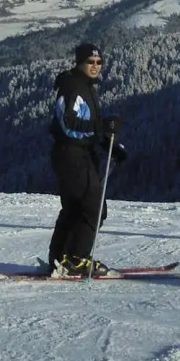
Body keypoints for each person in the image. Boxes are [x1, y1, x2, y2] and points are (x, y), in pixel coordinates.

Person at [46, 42, 124, 277]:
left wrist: (109, 144)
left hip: (74, 154)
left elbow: (84, 126)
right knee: (94, 208)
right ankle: (77, 259)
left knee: (74, 208)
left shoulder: (85, 86)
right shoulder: (73, 86)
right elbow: (68, 123)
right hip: (72, 155)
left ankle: (60, 259)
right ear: (80, 62)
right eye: (90, 62)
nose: (95, 66)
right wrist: (101, 127)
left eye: (99, 62)